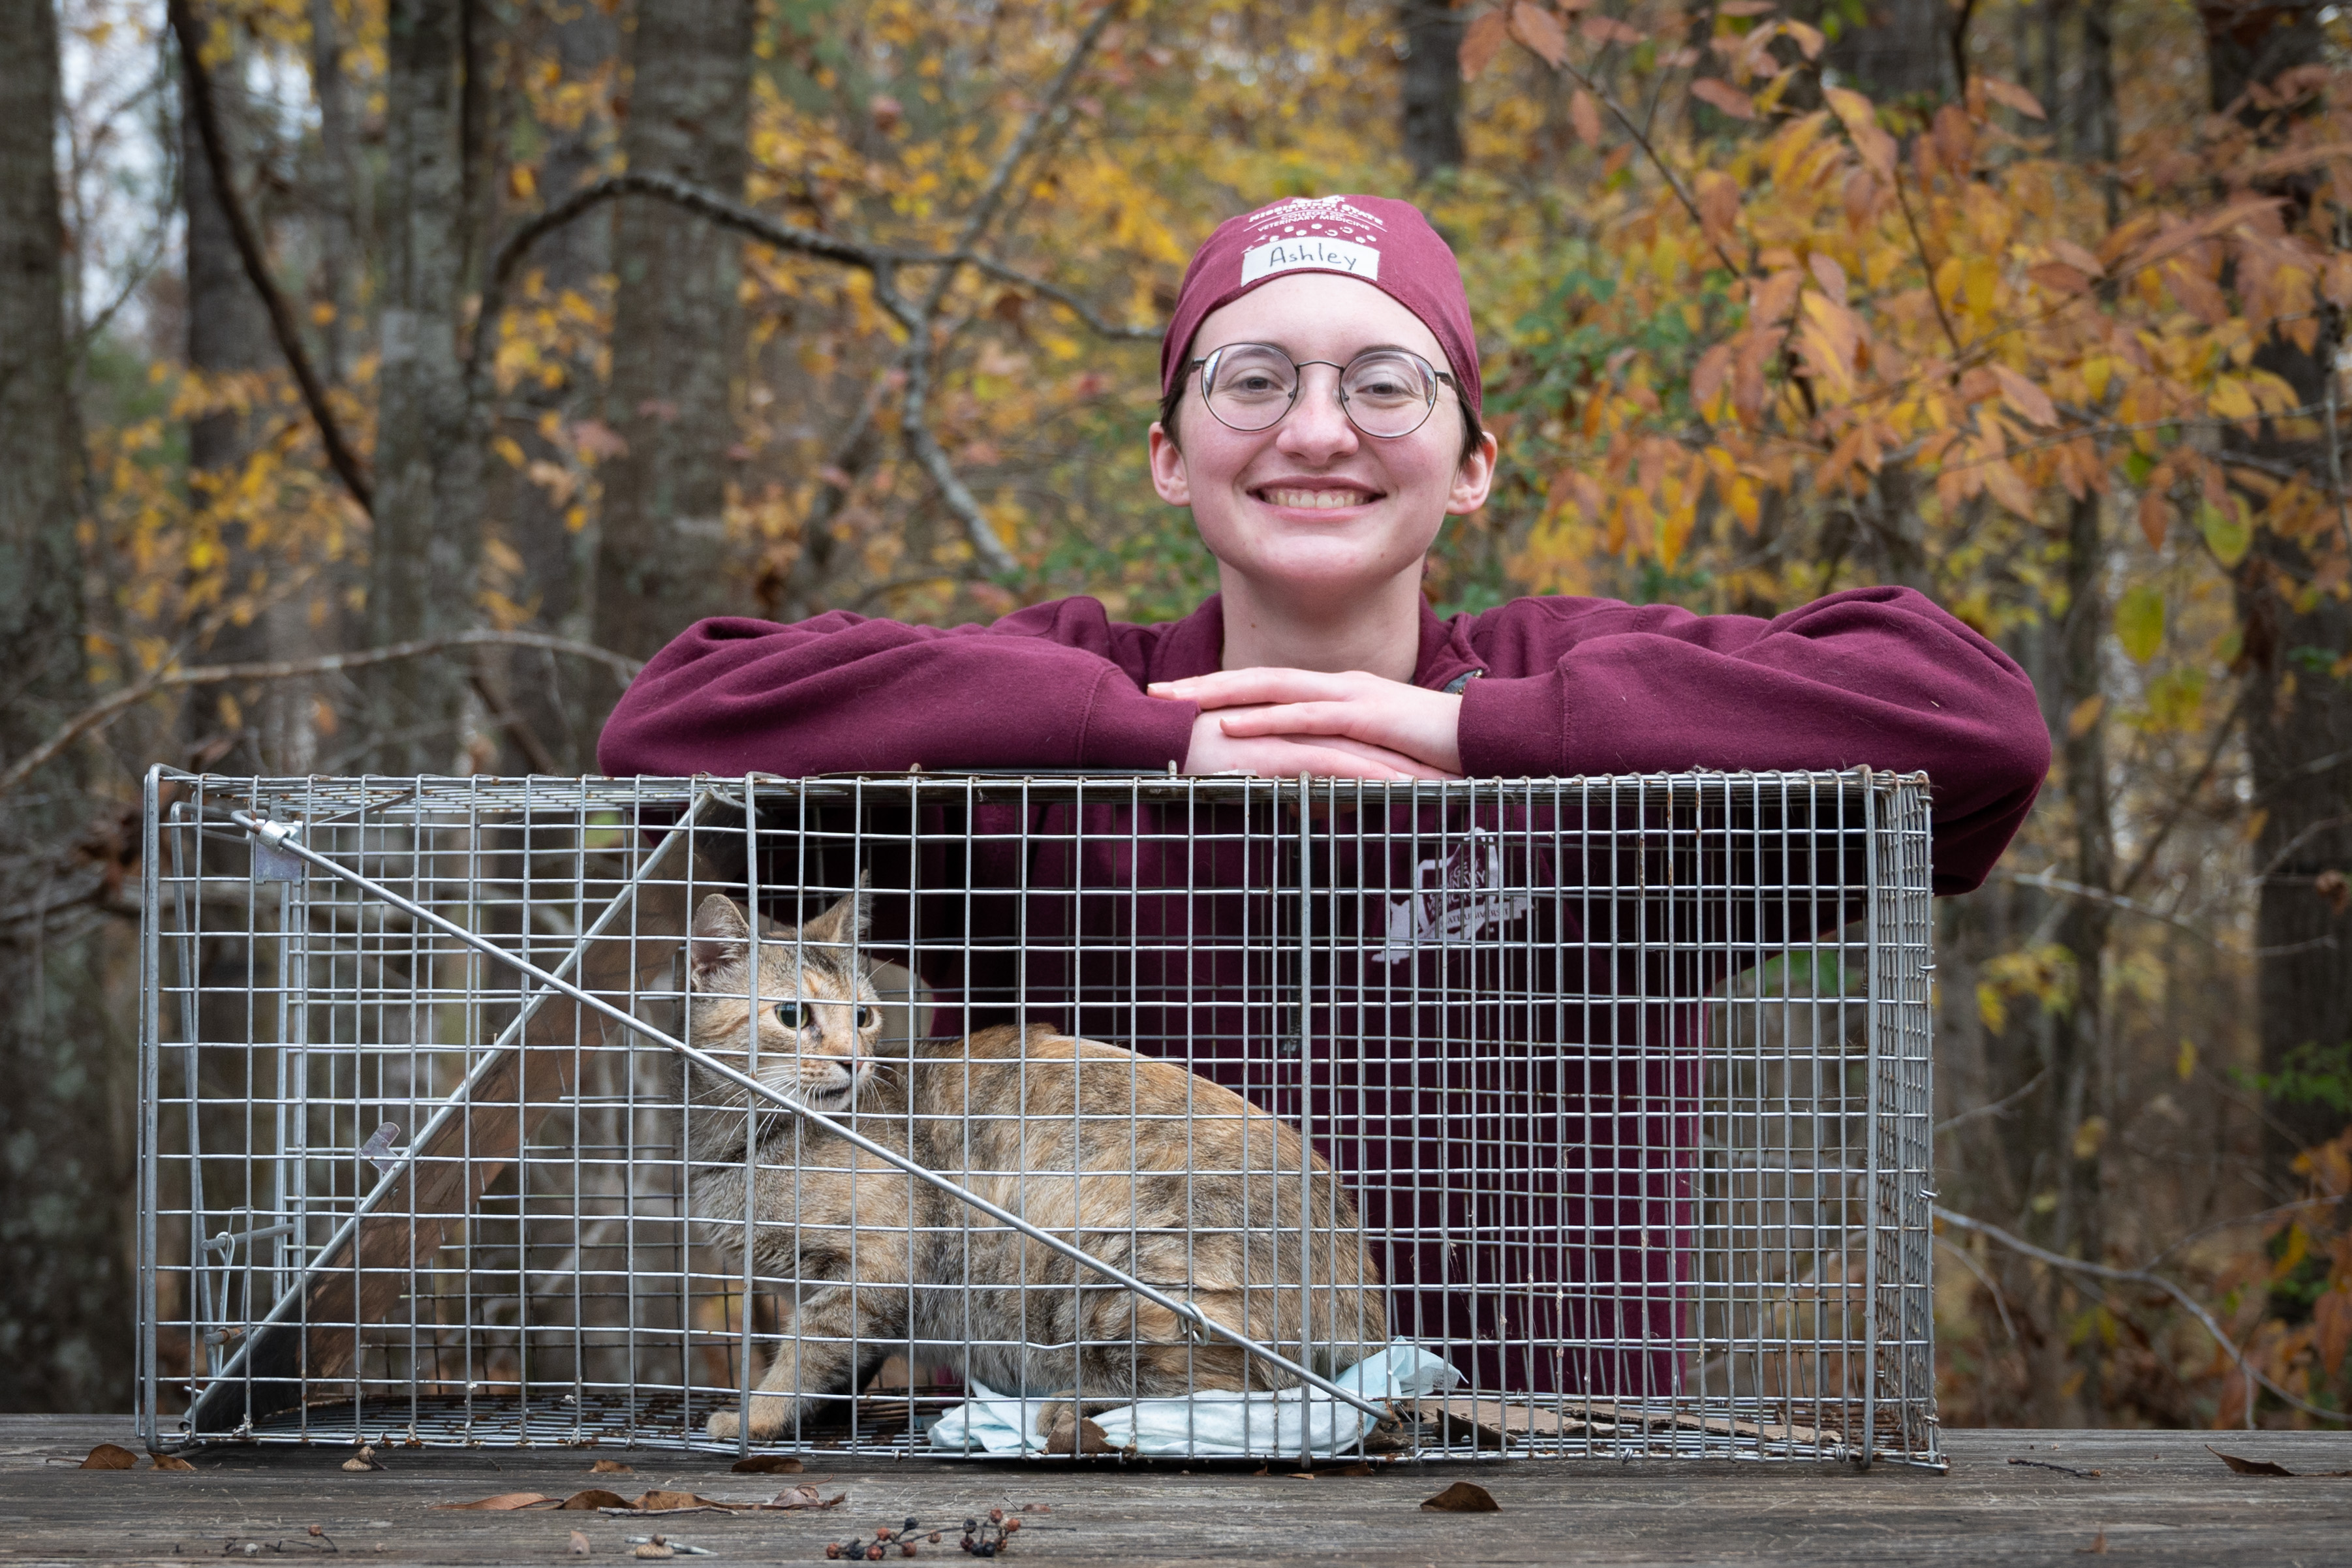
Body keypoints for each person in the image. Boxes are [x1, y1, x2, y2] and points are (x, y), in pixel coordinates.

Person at [599, 194, 2049, 1405]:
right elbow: (671, 722)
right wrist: (1140, 739)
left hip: (1548, 1484)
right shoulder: (1047, 707)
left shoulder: (1569, 701)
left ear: (1471, 462)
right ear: (1170, 454)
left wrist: (1481, 729)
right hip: (1109, 1486)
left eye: (1380, 383)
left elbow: (1973, 724)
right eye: (1250, 379)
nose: (1313, 429)